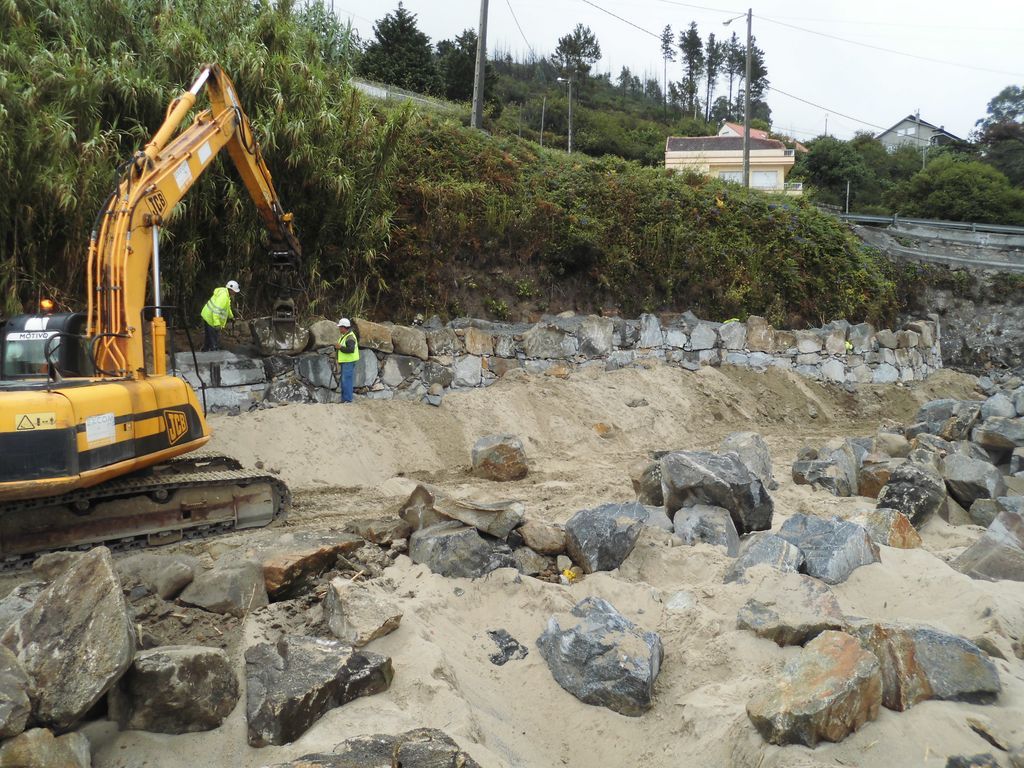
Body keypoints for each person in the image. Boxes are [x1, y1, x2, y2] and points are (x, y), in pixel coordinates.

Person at [201, 280, 240, 351]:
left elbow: (227, 308)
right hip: (211, 320)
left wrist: (231, 317)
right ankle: (214, 356)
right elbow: (216, 310)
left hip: (208, 316)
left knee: (208, 338)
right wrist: (217, 324)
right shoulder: (223, 297)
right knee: (213, 340)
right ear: (231, 290)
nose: (235, 293)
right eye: (235, 291)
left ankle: (205, 352)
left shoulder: (225, 294)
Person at [334, 317, 359, 403]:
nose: (339, 328)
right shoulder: (345, 336)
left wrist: (340, 347)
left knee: (346, 380)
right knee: (345, 380)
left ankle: (348, 400)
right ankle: (345, 399)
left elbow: (350, 349)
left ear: (344, 327)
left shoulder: (350, 338)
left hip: (348, 362)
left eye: (340, 327)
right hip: (346, 362)